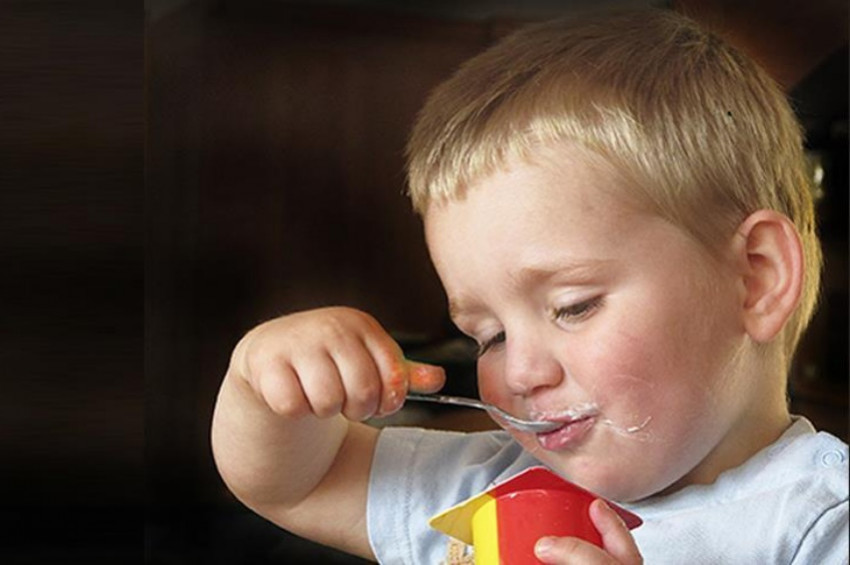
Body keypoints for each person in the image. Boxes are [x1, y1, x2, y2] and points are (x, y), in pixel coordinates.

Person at [211, 8, 848, 564]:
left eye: (573, 307)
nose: (519, 372)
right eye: (487, 336)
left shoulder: (820, 525)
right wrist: (261, 383)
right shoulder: (487, 490)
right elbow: (296, 482)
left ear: (755, 278)